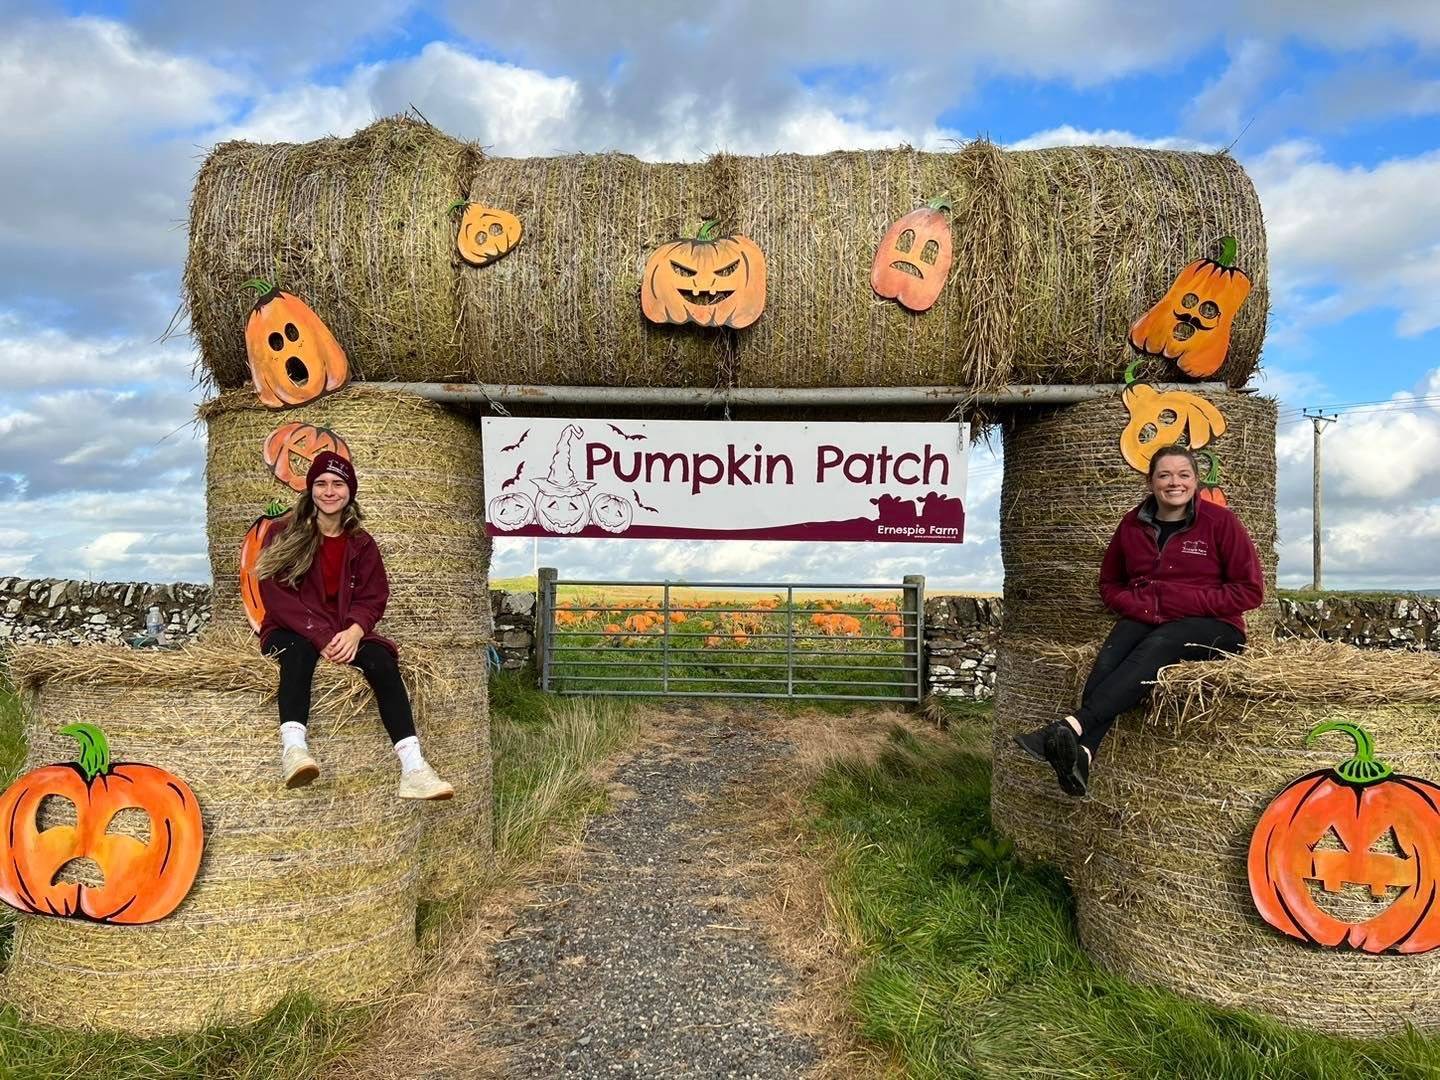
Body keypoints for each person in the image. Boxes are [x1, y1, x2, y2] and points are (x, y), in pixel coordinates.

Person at [1014, 444, 1263, 797]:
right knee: (1109, 659)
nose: (1174, 482)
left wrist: (1180, 602)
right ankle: (1084, 753)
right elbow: (1109, 584)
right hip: (1149, 615)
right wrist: (1137, 605)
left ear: (1196, 481)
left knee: (1158, 645)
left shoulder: (1221, 522)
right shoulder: (1132, 524)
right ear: (1150, 482)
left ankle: (1072, 727)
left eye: (1183, 474)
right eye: (1164, 475)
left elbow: (1249, 592)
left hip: (1216, 626)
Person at [254, 450, 454, 799]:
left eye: (338, 484)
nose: (329, 491)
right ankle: (294, 750)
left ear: (350, 491)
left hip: (345, 630)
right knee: (298, 653)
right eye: (321, 484)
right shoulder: (284, 533)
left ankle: (414, 768)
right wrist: (320, 636)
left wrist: (356, 631)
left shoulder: (362, 544)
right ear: (310, 490)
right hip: (291, 629)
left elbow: (373, 596)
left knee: (381, 662)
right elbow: (276, 595)